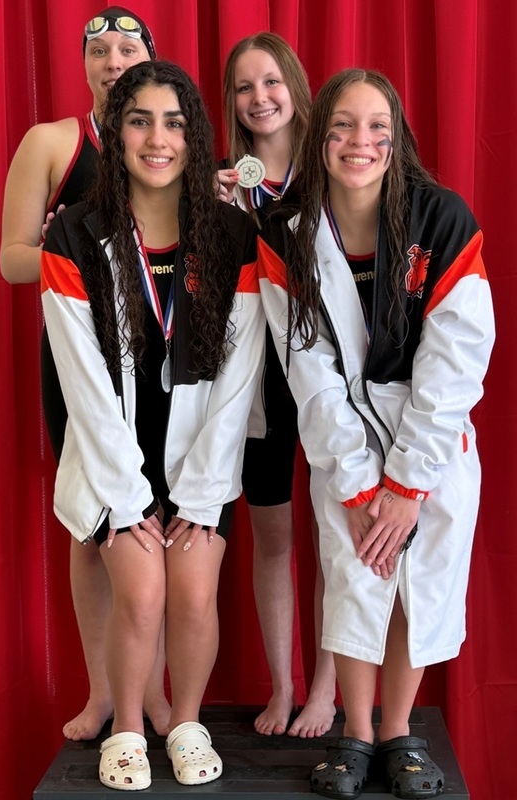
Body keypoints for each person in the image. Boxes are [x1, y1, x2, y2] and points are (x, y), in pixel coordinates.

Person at [257, 68, 494, 799]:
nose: (360, 142)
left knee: (416, 584)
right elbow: (309, 371)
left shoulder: (442, 218)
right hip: (345, 440)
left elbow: (456, 359)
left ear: (396, 140)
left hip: (431, 438)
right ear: (320, 134)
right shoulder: (286, 233)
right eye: (343, 127)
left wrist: (406, 485)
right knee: (357, 576)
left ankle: (397, 730)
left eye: (376, 129)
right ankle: (355, 733)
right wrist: (361, 482)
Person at [40, 59, 265, 791]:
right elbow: (82, 381)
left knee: (195, 590)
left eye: (174, 123)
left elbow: (239, 379)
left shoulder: (233, 234)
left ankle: (189, 719)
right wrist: (128, 498)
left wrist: (200, 495)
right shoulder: (73, 235)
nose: (157, 138)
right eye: (140, 121)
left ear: (195, 138)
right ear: (115, 131)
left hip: (201, 451)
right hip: (113, 454)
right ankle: (130, 727)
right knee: (140, 592)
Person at [0, 7, 171, 742]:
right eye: (98, 49)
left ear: (150, 58)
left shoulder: (169, 138)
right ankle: (103, 690)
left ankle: (156, 690)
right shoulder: (53, 142)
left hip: (163, 352)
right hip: (79, 356)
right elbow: (11, 259)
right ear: (84, 65)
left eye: (128, 45)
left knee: (158, 514)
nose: (112, 58)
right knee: (91, 521)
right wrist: (83, 260)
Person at [219, 32, 337, 739]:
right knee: (271, 535)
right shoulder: (226, 179)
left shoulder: (333, 168)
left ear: (294, 85)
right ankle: (284, 686)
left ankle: (327, 688)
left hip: (326, 379)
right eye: (243, 87)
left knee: (333, 537)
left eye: (270, 82)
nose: (259, 98)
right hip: (259, 381)